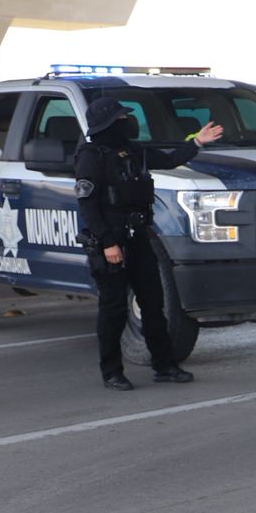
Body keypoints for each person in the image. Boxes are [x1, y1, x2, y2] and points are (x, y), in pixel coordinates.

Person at [74, 96, 224, 390]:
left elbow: (169, 160)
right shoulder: (91, 156)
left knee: (154, 305)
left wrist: (197, 142)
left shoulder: (132, 151)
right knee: (114, 310)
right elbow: (88, 205)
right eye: (120, 118)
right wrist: (107, 243)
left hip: (138, 237)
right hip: (111, 242)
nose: (126, 122)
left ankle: (164, 366)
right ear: (107, 123)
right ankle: (112, 373)